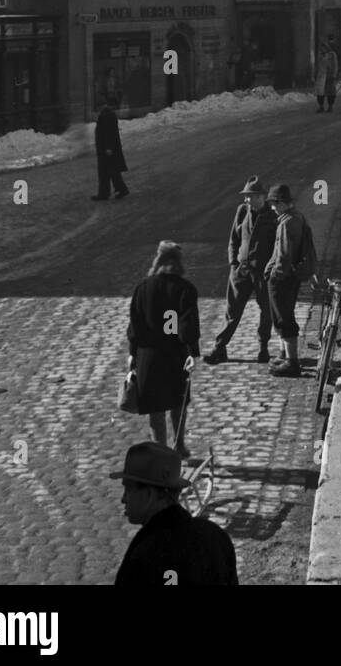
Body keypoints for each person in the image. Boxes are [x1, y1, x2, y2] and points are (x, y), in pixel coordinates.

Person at [110, 442, 238, 585]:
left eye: (128, 490)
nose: (123, 499)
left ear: (150, 494)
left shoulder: (145, 555)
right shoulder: (216, 536)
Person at [126, 240, 200, 458]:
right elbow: (188, 326)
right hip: (175, 354)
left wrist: (132, 353)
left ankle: (160, 450)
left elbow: (135, 326)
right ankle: (179, 445)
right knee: (178, 401)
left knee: (155, 406)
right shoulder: (185, 289)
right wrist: (192, 352)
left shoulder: (143, 288)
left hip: (147, 356)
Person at [203, 176, 277, 365]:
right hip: (241, 270)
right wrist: (233, 263)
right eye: (245, 196)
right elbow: (233, 239)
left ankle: (263, 347)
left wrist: (271, 269)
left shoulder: (272, 216)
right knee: (232, 311)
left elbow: (277, 245)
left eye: (250, 196)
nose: (247, 200)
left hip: (262, 273)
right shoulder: (242, 211)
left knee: (266, 311)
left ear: (261, 197)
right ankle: (219, 347)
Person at [264, 184, 307, 377]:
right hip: (292, 276)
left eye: (274, 203)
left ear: (281, 203)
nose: (272, 207)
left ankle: (292, 362)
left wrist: (274, 275)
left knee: (283, 318)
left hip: (283, 278)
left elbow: (283, 255)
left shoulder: (286, 223)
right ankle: (284, 355)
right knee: (284, 314)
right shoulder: (297, 217)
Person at [92, 96, 129, 200]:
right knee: (112, 171)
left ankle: (105, 194)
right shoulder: (107, 114)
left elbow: (109, 133)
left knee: (105, 172)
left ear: (101, 106)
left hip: (107, 150)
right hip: (108, 149)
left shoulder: (107, 115)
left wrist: (108, 147)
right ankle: (121, 190)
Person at [314, 40, 338, 112]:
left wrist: (333, 74)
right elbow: (318, 65)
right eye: (321, 48)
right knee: (320, 93)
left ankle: (330, 106)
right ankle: (321, 106)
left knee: (330, 92)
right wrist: (316, 74)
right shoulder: (320, 55)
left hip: (329, 76)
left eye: (323, 47)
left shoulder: (332, 55)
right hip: (321, 76)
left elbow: (335, 65)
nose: (322, 49)